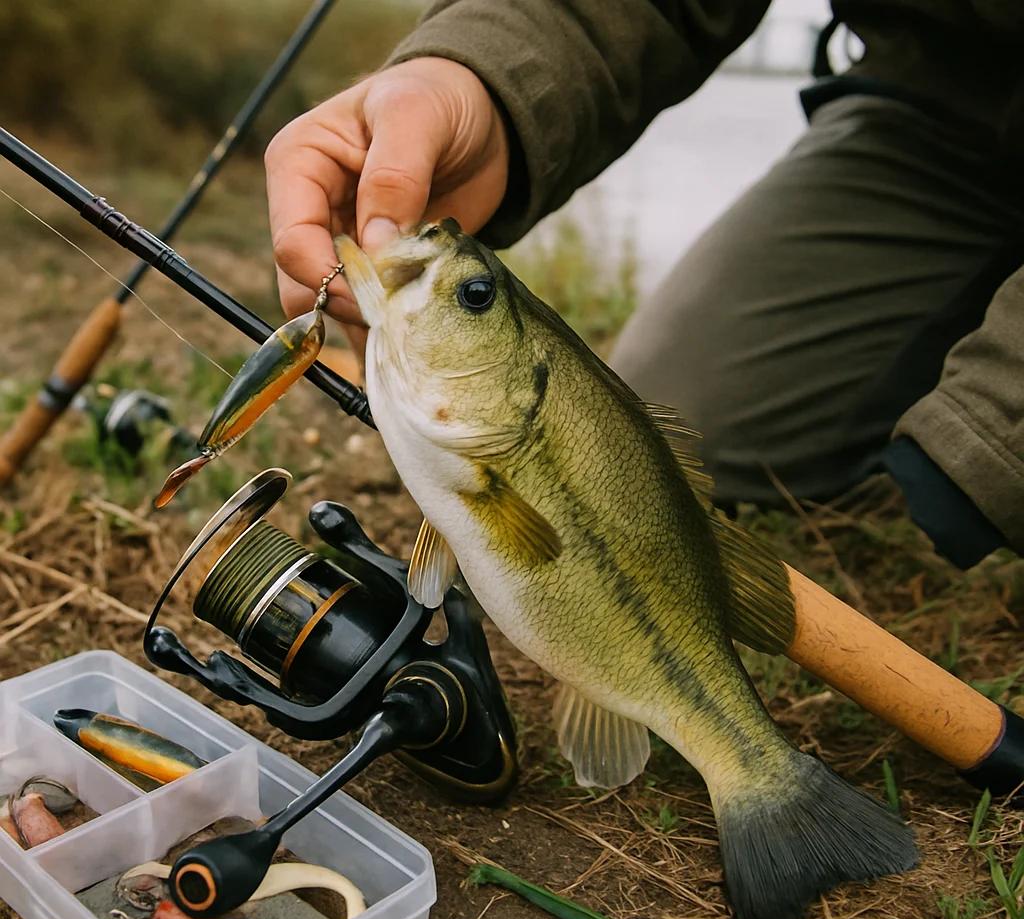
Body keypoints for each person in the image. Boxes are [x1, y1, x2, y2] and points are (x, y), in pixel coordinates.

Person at [264, 0, 1023, 569]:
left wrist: (992, 431)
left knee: (979, 467)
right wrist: (481, 76)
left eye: (471, 294)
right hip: (943, 100)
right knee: (678, 441)